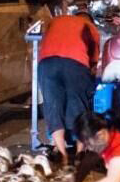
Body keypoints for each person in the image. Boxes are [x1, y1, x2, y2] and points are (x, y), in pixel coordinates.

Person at [37, 11, 101, 165]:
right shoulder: (90, 26)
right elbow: (93, 59)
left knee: (53, 105)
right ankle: (79, 153)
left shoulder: (57, 20)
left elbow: (46, 39)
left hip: (47, 63)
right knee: (77, 103)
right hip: (75, 63)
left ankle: (63, 153)